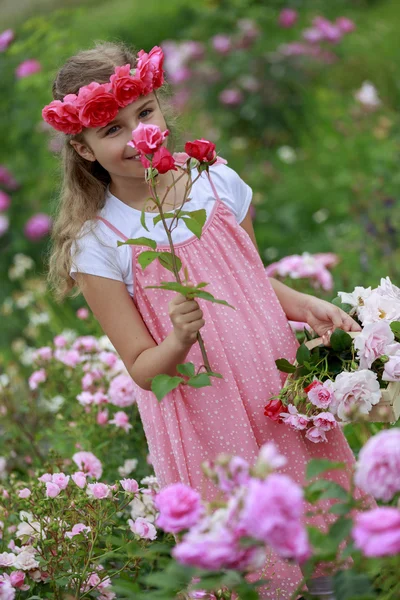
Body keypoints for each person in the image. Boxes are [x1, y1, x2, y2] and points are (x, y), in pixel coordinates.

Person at [45, 41, 362, 599]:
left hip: (274, 387)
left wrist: (303, 304)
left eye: (144, 113)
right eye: (112, 130)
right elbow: (144, 368)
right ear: (85, 149)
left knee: (320, 527)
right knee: (252, 554)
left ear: (160, 106)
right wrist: (179, 336)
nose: (138, 134)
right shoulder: (100, 242)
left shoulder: (215, 181)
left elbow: (250, 278)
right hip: (208, 415)